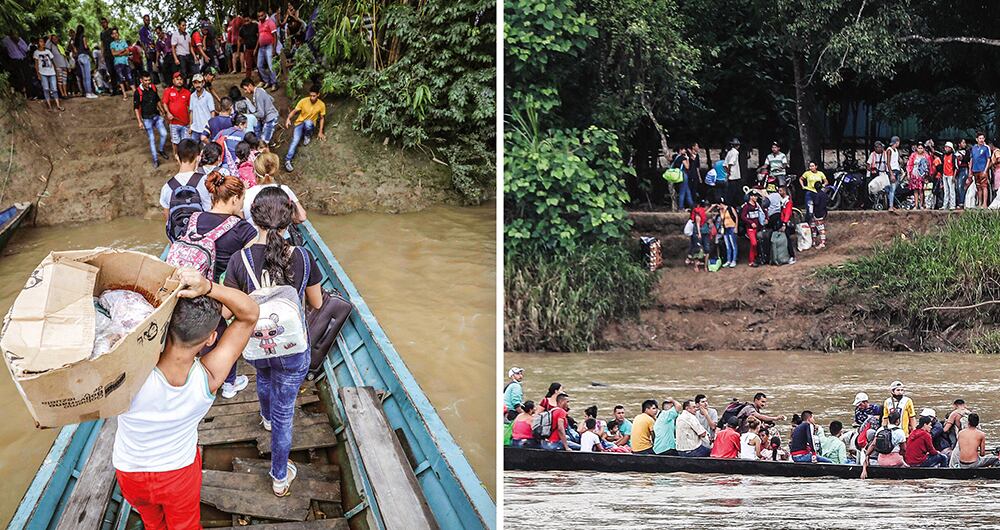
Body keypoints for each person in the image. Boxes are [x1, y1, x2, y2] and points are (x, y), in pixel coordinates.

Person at [113, 266, 256, 528]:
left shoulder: (129, 374)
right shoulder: (209, 378)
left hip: (129, 473)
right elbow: (249, 314)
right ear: (211, 338)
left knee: (152, 523)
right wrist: (208, 286)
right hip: (177, 474)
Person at [223, 186, 324, 494]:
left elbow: (227, 311)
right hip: (293, 348)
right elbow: (317, 303)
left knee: (264, 377)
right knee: (285, 413)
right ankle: (280, 477)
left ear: (253, 218)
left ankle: (266, 418)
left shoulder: (238, 260)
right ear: (289, 220)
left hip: (257, 344)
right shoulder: (303, 257)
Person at [245, 153, 307, 227]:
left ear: (254, 172)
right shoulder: (284, 189)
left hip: (256, 233)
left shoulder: (248, 194)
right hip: (281, 232)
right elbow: (302, 217)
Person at [159, 139, 213, 216]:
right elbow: (211, 212)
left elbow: (168, 217)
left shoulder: (167, 187)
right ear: (198, 158)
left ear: (177, 157)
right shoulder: (206, 182)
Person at [283, 85, 327, 172]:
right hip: (299, 123)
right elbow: (294, 111)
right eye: (310, 95)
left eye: (314, 96)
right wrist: (288, 118)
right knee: (295, 140)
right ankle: (287, 160)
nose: (312, 98)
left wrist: (320, 132)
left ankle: (307, 135)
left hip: (310, 124)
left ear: (318, 94)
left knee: (308, 123)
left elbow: (322, 118)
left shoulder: (321, 105)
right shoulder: (303, 101)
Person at [133, 72, 169, 168]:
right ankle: (155, 159)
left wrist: (162, 110)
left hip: (156, 116)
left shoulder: (153, 87)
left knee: (164, 134)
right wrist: (139, 121)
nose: (148, 82)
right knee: (152, 139)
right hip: (147, 119)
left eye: (149, 80)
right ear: (141, 80)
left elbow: (157, 100)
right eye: (145, 80)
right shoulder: (138, 92)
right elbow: (136, 108)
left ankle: (161, 150)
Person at [861, 411, 907, 477]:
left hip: (881, 461)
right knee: (905, 465)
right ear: (898, 420)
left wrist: (866, 455)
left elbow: (873, 444)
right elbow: (904, 449)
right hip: (896, 461)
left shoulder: (881, 429)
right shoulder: (900, 432)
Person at [240, 77, 279, 144]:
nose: (245, 91)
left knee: (262, 143)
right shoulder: (260, 90)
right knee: (265, 137)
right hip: (271, 116)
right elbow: (272, 99)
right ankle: (272, 143)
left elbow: (261, 114)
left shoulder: (258, 95)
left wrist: (250, 115)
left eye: (245, 89)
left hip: (270, 119)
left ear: (250, 85)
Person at [162, 72, 192, 158]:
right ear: (173, 80)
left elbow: (191, 109)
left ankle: (184, 157)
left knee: (185, 141)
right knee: (175, 141)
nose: (179, 81)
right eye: (177, 79)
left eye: (181, 79)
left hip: (185, 122)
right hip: (173, 122)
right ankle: (176, 156)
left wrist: (190, 123)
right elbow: (164, 103)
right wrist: (168, 113)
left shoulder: (187, 92)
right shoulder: (168, 91)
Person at [33, 37, 63, 111]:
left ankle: (58, 105)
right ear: (38, 43)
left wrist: (55, 71)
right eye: (40, 42)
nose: (42, 43)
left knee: (54, 89)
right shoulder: (36, 52)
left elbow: (52, 61)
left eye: (43, 42)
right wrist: (38, 74)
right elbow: (36, 64)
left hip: (51, 72)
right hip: (42, 72)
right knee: (46, 89)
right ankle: (49, 106)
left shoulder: (48, 51)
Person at [188, 73, 216, 143]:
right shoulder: (192, 96)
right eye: (195, 83)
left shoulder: (208, 96)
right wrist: (190, 126)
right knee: (194, 148)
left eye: (199, 82)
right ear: (193, 84)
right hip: (195, 128)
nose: (197, 85)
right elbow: (191, 112)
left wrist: (211, 127)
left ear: (203, 83)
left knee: (207, 148)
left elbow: (212, 112)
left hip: (205, 129)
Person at [255, 10, 279, 90]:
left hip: (269, 46)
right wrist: (256, 48)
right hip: (261, 47)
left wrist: (274, 49)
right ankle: (267, 80)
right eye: (259, 16)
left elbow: (275, 36)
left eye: (261, 15)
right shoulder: (259, 24)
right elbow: (259, 36)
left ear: (265, 14)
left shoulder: (270, 22)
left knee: (271, 65)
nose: (260, 17)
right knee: (259, 65)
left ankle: (274, 83)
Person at [72, 25, 97, 98]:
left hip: (79, 57)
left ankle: (87, 93)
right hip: (85, 56)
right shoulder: (83, 36)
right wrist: (89, 51)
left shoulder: (76, 39)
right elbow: (86, 46)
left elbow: (75, 51)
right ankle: (89, 92)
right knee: (88, 76)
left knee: (84, 77)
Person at [740, 193, 764, 267]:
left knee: (756, 243)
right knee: (754, 243)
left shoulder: (757, 205)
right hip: (750, 228)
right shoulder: (746, 206)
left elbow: (761, 213)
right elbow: (743, 216)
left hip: (757, 227)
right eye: (754, 196)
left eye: (756, 196)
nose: (756, 198)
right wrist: (751, 222)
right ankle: (751, 260)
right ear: (750, 197)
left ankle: (755, 258)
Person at [969, 132, 991, 209]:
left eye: (982, 138)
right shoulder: (973, 148)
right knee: (978, 187)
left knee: (984, 186)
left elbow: (988, 159)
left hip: (982, 169)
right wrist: (970, 170)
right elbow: (971, 159)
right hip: (975, 169)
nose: (981, 140)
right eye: (980, 138)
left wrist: (985, 170)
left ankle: (984, 204)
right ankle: (979, 203)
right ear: (977, 139)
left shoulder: (986, 148)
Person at [107, 29, 131, 100]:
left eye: (116, 33)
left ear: (118, 34)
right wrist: (123, 50)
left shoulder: (123, 42)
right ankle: (124, 94)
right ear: (112, 35)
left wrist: (119, 53)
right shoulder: (112, 44)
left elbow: (128, 52)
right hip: (117, 63)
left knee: (129, 78)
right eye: (113, 33)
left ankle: (135, 92)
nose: (115, 35)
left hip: (125, 62)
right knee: (120, 79)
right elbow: (114, 53)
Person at [98, 18, 119, 94]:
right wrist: (102, 56)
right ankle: (114, 89)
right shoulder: (102, 33)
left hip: (114, 53)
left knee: (116, 70)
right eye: (102, 23)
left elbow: (116, 38)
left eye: (104, 22)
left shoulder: (111, 30)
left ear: (107, 22)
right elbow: (102, 44)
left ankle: (120, 88)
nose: (103, 24)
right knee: (110, 71)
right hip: (107, 55)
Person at [907, 144, 930, 209]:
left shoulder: (926, 156)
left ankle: (921, 204)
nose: (920, 149)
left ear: (923, 149)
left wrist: (927, 176)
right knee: (915, 190)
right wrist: (908, 173)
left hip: (922, 175)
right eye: (919, 148)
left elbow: (929, 166)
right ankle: (916, 205)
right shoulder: (913, 155)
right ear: (917, 149)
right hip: (914, 174)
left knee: (921, 190)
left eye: (921, 148)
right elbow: (909, 164)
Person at [45, 35, 69, 99]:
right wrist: (49, 39)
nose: (55, 40)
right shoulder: (51, 46)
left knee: (64, 80)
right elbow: (46, 46)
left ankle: (65, 93)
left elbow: (64, 56)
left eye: (56, 38)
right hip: (58, 66)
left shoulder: (60, 47)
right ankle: (62, 94)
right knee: (60, 80)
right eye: (53, 39)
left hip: (64, 66)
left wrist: (67, 65)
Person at [172, 20, 194, 86]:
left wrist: (194, 56)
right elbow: (173, 48)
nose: (185, 27)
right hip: (181, 56)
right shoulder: (175, 35)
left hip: (188, 55)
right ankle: (185, 88)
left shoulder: (187, 34)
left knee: (193, 72)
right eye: (183, 25)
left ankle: (189, 87)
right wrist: (175, 59)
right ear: (179, 26)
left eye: (185, 25)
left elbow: (190, 47)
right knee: (183, 74)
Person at [723, 139, 741, 205]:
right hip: (734, 176)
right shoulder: (735, 152)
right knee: (734, 192)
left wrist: (727, 173)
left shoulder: (729, 152)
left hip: (730, 176)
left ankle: (728, 204)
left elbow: (724, 165)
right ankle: (733, 205)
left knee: (729, 192)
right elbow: (731, 163)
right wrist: (729, 172)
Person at [886, 136, 902, 211]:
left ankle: (891, 204)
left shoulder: (896, 150)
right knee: (892, 188)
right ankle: (890, 206)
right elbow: (888, 163)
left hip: (897, 170)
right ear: (896, 142)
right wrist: (891, 174)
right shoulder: (889, 150)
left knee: (894, 188)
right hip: (892, 170)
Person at [941, 141, 958, 210]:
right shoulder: (944, 156)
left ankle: (952, 205)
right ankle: (945, 205)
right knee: (946, 191)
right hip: (944, 175)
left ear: (951, 148)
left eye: (948, 147)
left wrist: (954, 176)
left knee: (952, 191)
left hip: (951, 175)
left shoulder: (953, 157)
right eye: (946, 147)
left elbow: (956, 167)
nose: (946, 149)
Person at [138, 15, 156, 80]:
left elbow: (152, 39)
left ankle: (158, 80)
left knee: (157, 64)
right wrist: (146, 52)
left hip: (154, 49)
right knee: (150, 66)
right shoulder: (142, 30)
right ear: (143, 20)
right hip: (148, 50)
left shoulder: (150, 29)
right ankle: (151, 81)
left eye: (148, 20)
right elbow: (142, 42)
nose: (148, 21)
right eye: (146, 20)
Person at [956, 138, 970, 209]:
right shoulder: (956, 152)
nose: (964, 144)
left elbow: (968, 160)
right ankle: (959, 201)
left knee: (961, 186)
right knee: (957, 186)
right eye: (963, 142)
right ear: (959, 144)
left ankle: (962, 202)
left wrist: (962, 158)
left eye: (965, 143)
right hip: (957, 170)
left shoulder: (967, 152)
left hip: (964, 169)